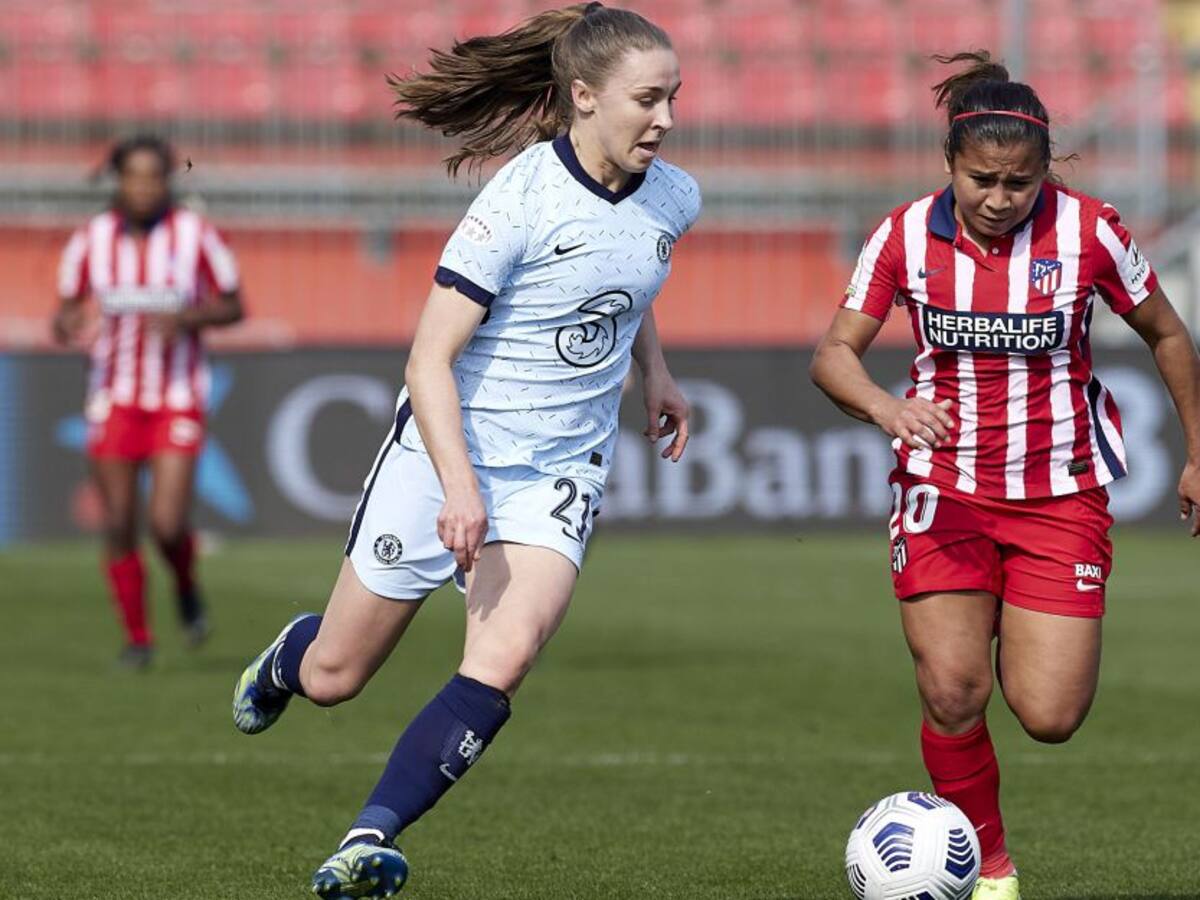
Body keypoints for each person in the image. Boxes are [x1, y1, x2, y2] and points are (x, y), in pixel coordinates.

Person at [231, 4, 699, 896]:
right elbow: (428, 357)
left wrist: (657, 372)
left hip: (561, 468)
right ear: (585, 96)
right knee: (336, 677)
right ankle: (294, 652)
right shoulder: (519, 199)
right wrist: (459, 486)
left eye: (674, 97)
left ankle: (366, 839)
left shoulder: (676, 194)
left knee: (506, 655)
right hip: (450, 448)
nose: (666, 119)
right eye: (648, 99)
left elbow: (625, 283)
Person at [810, 51, 1200, 900]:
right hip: (941, 490)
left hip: (1060, 494)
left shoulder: (1092, 229)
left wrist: (1199, 450)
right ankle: (988, 869)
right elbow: (834, 353)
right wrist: (885, 408)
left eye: (1019, 182)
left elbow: (1169, 333)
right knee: (952, 689)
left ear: (1043, 171)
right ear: (950, 165)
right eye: (982, 179)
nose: (999, 198)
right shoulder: (905, 234)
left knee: (1050, 716)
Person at [53, 134, 244, 668]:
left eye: (153, 176)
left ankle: (184, 583)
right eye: (133, 176)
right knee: (118, 521)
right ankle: (138, 639)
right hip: (113, 396)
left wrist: (187, 317)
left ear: (167, 180)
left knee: (165, 523)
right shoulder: (90, 239)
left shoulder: (195, 235)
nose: (143, 187)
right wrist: (72, 322)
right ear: (118, 180)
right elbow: (64, 313)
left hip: (177, 396)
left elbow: (233, 306)